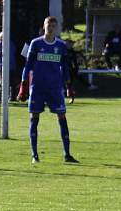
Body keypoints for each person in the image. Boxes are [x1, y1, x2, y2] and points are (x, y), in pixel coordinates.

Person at [18, 16, 78, 164]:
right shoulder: (36, 43)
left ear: (56, 28)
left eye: (53, 26)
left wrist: (69, 85)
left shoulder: (61, 45)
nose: (50, 28)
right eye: (48, 25)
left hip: (55, 88)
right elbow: (28, 65)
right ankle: (34, 155)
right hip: (37, 88)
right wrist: (23, 84)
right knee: (34, 118)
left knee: (62, 117)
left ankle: (67, 154)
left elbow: (64, 67)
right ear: (43, 26)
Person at [0, 32, 18, 101]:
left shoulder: (12, 44)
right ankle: (4, 97)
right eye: (2, 37)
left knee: (13, 83)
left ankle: (13, 97)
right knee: (3, 83)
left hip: (12, 67)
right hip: (2, 67)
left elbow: (14, 54)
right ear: (0, 37)